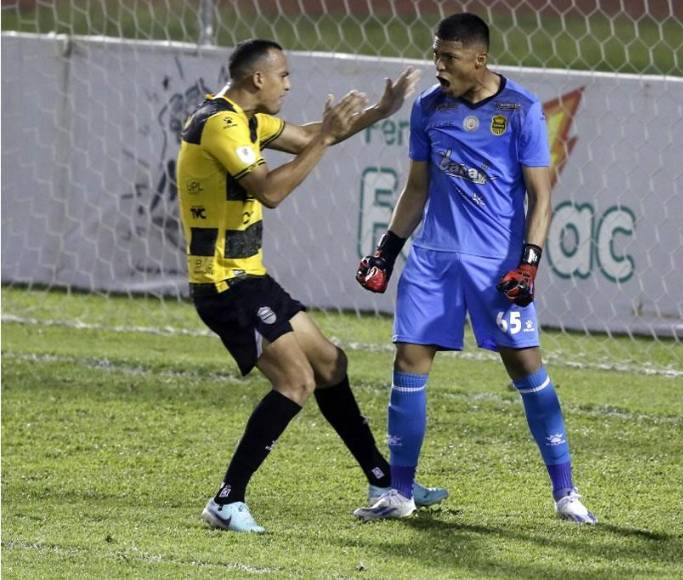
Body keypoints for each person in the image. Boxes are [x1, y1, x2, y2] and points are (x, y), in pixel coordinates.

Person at [176, 39, 447, 534]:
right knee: (295, 382)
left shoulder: (245, 119)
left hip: (250, 278)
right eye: (283, 75)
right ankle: (226, 499)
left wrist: (379, 111)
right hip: (224, 284)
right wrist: (326, 140)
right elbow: (272, 191)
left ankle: (383, 481)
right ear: (257, 79)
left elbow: (308, 135)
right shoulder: (220, 123)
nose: (289, 83)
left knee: (329, 363)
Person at [352, 13, 596, 523]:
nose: (438, 66)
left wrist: (528, 265)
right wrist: (386, 252)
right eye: (435, 55)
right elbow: (416, 188)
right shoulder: (427, 109)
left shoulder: (522, 109)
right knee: (407, 365)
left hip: (497, 268)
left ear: (479, 58)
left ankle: (566, 492)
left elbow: (542, 196)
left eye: (449, 57)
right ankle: (399, 494)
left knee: (527, 369)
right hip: (433, 261)